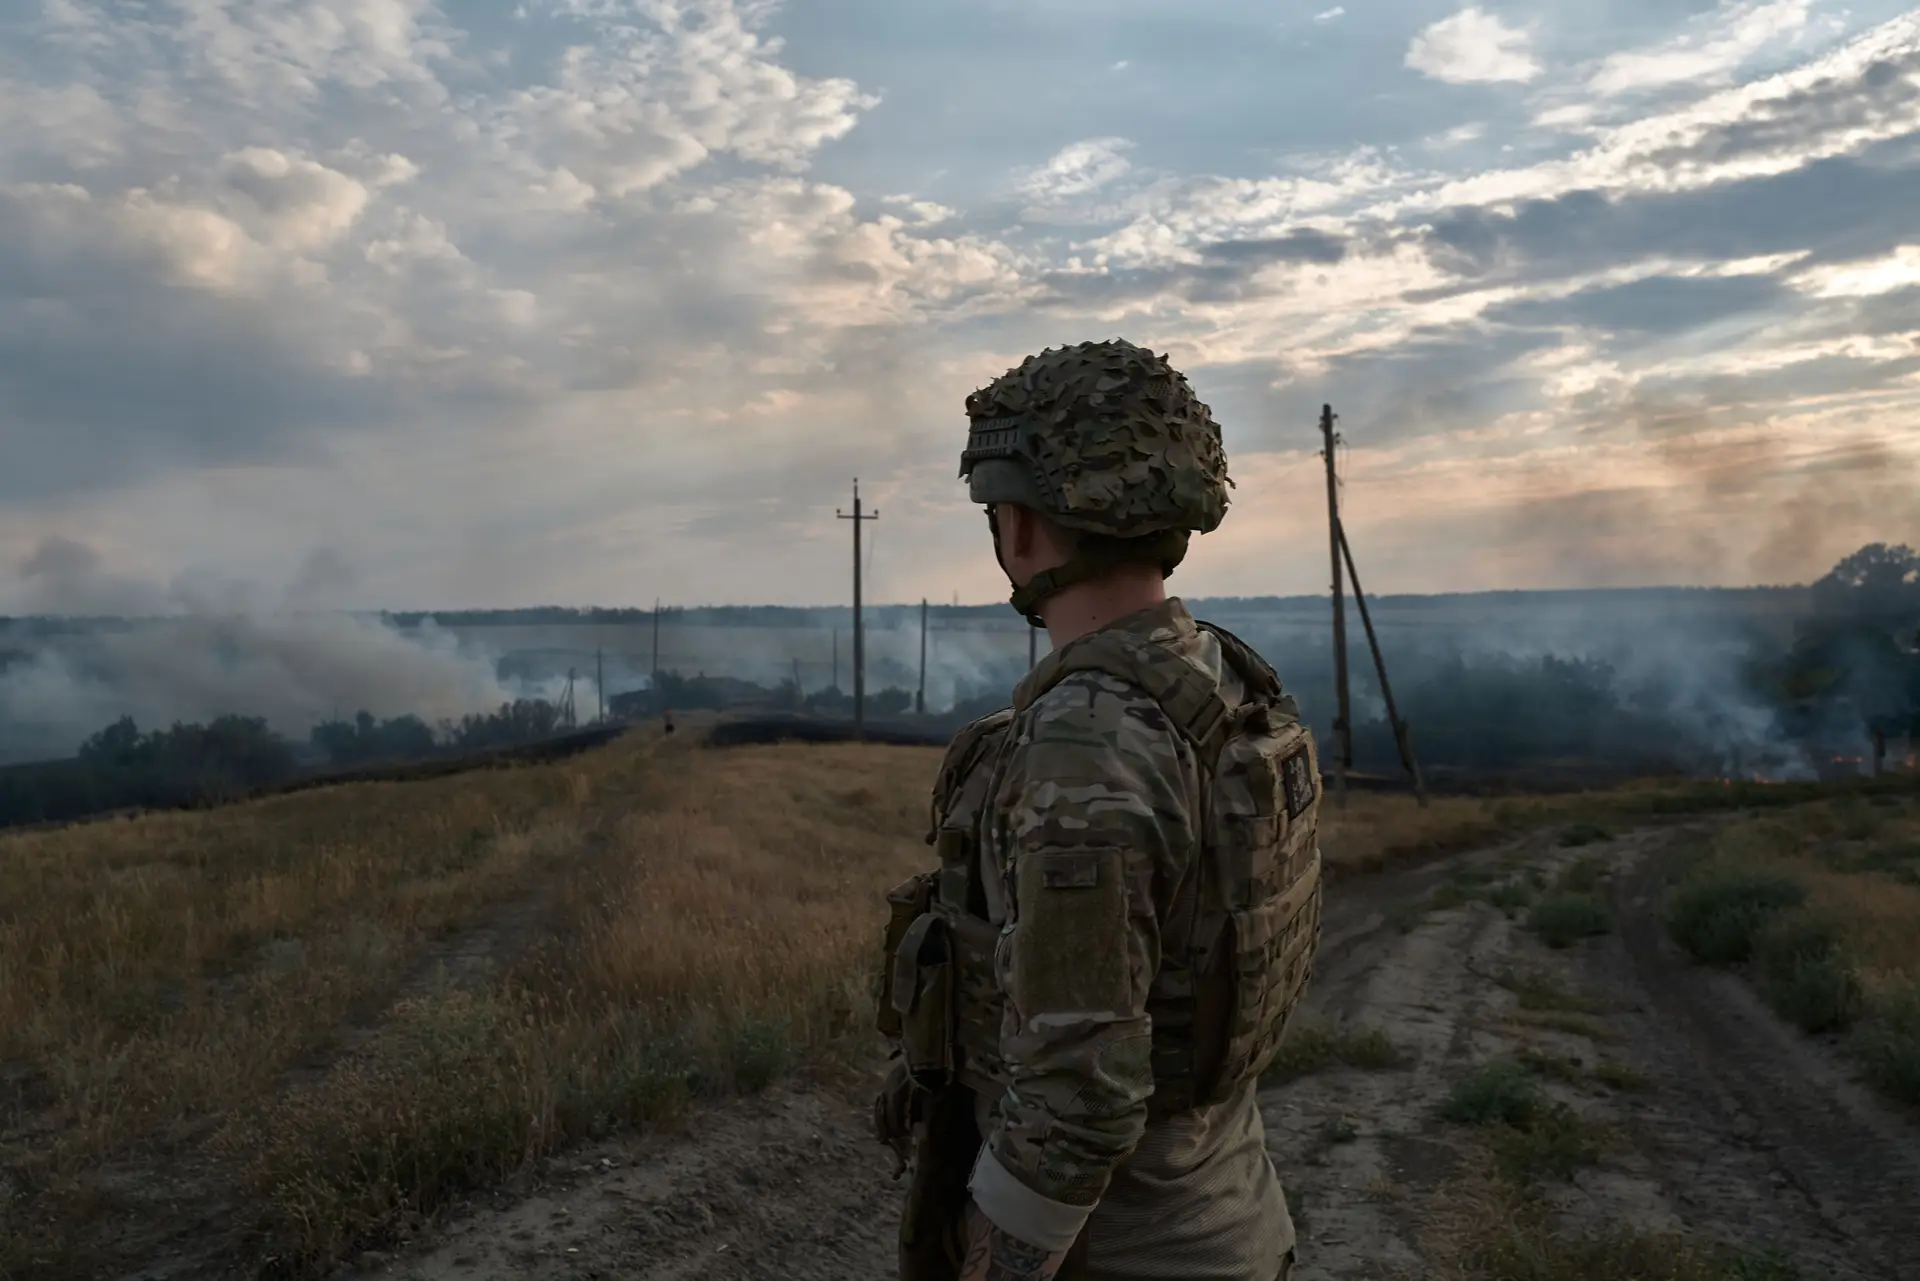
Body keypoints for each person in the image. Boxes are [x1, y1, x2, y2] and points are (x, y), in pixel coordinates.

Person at [874, 339, 1326, 1281]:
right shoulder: (1222, 681)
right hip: (1233, 1221)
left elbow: (1078, 1101)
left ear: (1023, 526)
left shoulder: (1086, 740)